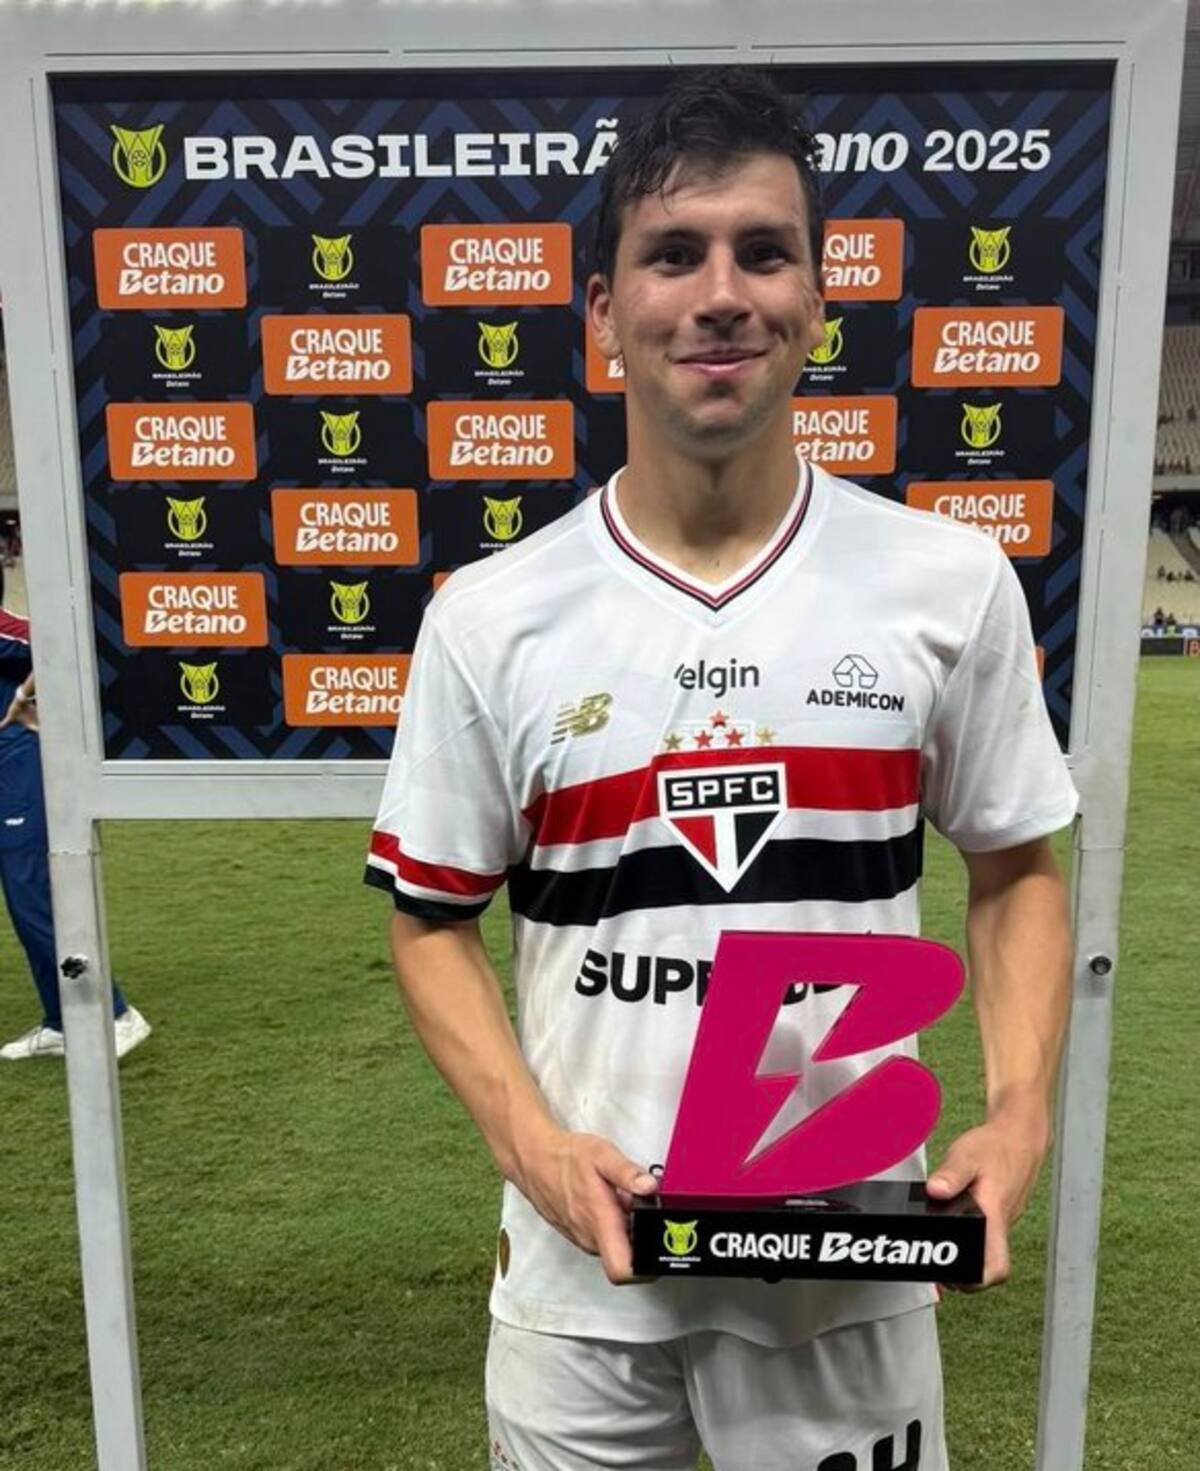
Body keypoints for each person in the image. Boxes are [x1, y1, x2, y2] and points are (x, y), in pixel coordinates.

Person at [366, 69, 1076, 1470]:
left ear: (818, 302)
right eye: (673, 252)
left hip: (850, 1279)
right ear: (603, 317)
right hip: (584, 1292)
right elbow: (429, 915)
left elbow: (1016, 871)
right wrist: (534, 1145)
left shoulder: (947, 581)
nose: (721, 292)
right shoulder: (493, 615)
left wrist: (1018, 1109)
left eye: (766, 250)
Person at [0, 609, 150, 1060]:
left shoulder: (8, 630)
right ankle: (62, 1020)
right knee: (21, 901)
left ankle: (117, 1014)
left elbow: (62, 636)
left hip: (21, 761)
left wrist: (27, 695)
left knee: (34, 895)